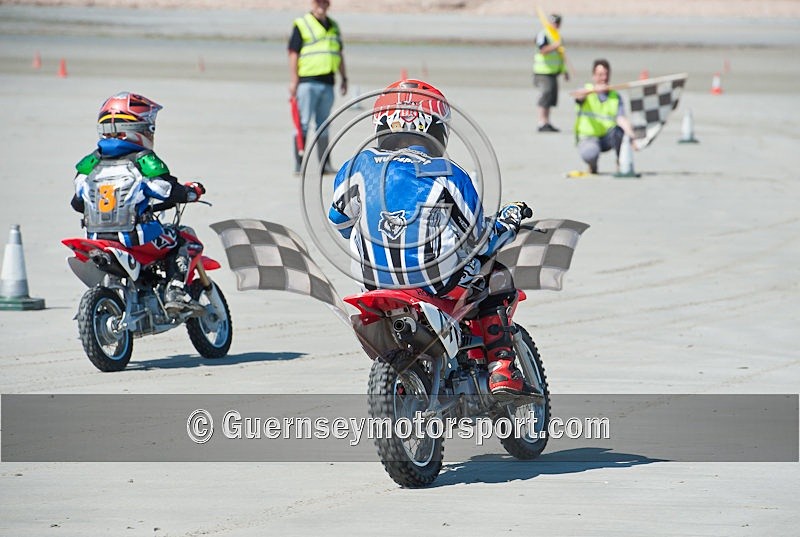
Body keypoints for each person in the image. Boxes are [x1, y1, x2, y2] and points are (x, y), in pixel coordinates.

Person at [327, 79, 541, 401]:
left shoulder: (356, 165)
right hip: (433, 285)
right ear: (437, 128)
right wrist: (507, 223)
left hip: (372, 285)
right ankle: (501, 366)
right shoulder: (448, 172)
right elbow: (480, 239)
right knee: (496, 276)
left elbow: (339, 221)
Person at [70, 91, 206, 315]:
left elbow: (78, 202)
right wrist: (190, 192)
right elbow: (167, 190)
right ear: (138, 129)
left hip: (96, 238)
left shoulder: (89, 164)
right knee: (182, 241)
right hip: (136, 238)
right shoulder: (143, 160)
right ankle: (175, 291)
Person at [288, 0, 348, 174]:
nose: (321, 6)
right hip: (307, 81)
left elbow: (339, 53)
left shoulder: (334, 26)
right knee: (303, 124)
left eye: (324, 3)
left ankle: (325, 164)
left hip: (328, 82)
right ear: (312, 4)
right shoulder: (302, 24)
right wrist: (294, 81)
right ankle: (300, 164)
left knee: (323, 125)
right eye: (318, 3)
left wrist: (344, 77)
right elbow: (293, 53)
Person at [570, 58, 638, 174]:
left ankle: (620, 163)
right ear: (594, 76)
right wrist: (593, 90)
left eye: (606, 74)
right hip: (589, 137)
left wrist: (633, 137)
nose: (604, 78)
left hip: (607, 137)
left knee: (619, 132)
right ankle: (593, 165)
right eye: (600, 75)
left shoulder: (615, 96)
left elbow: (621, 119)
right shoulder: (587, 91)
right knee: (590, 154)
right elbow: (577, 95)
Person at [533, 13, 569, 132]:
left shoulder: (557, 36)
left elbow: (560, 56)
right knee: (545, 94)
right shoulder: (543, 34)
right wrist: (555, 46)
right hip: (542, 71)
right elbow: (543, 50)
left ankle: (547, 121)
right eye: (554, 22)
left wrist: (564, 71)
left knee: (551, 98)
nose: (556, 25)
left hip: (553, 72)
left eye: (558, 23)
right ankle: (541, 122)